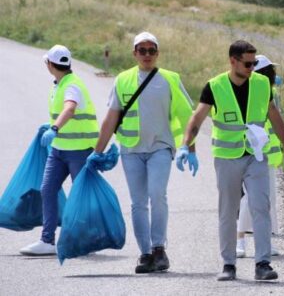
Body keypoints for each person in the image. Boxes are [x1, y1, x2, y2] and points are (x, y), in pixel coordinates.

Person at [179, 40, 284, 282]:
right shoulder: (215, 86)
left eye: (254, 63)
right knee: (228, 210)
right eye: (247, 63)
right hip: (227, 158)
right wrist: (185, 147)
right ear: (233, 61)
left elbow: (274, 115)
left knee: (261, 206)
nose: (252, 67)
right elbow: (197, 118)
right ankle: (229, 264)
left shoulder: (262, 84)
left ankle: (263, 263)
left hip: (256, 155)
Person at [90, 32, 194, 273]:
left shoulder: (170, 79)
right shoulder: (123, 79)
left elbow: (186, 115)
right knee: (138, 202)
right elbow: (111, 118)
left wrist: (190, 147)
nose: (147, 55)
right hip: (131, 150)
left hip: (160, 146)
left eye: (152, 50)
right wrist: (97, 151)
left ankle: (159, 248)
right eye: (142, 50)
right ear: (134, 53)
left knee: (157, 194)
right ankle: (145, 253)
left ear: (157, 53)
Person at [20, 45, 99, 256]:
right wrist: (51, 124)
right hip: (59, 150)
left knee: (80, 195)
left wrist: (54, 128)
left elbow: (70, 108)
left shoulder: (72, 85)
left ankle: (85, 239)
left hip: (79, 151)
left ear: (50, 65)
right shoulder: (59, 84)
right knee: (47, 189)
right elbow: (64, 113)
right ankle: (47, 240)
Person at [236, 54, 284, 258]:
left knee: (268, 200)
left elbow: (278, 124)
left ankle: (266, 241)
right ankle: (239, 240)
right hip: (250, 152)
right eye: (271, 71)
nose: (274, 75)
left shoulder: (270, 94)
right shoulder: (248, 93)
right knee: (249, 198)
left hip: (267, 155)